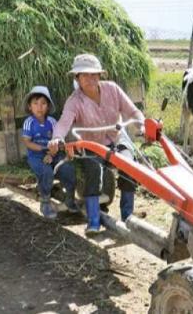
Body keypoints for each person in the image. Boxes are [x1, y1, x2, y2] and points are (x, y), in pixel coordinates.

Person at [48, 54, 144, 235]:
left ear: (100, 75)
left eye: (94, 75)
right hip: (91, 145)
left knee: (129, 167)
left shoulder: (113, 89)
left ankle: (127, 218)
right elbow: (63, 123)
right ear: (77, 78)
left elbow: (133, 111)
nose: (90, 79)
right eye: (84, 75)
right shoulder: (74, 101)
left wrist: (143, 124)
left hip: (116, 138)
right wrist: (57, 138)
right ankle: (93, 222)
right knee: (92, 172)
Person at [22, 86, 77, 219]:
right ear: (30, 107)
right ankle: (45, 201)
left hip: (54, 153)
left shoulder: (52, 122)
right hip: (36, 155)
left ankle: (70, 198)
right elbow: (27, 142)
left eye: (43, 103)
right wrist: (43, 151)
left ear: (48, 107)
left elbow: (57, 140)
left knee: (68, 169)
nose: (39, 107)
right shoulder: (29, 123)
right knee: (46, 172)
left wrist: (51, 154)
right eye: (35, 103)